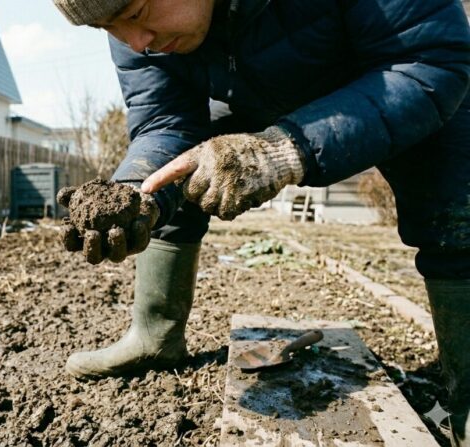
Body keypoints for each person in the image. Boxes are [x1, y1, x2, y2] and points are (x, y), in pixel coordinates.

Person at [52, 0, 470, 444]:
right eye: (107, 28)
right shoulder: (142, 35)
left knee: (458, 204)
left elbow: (431, 60)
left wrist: (286, 150)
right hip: (254, 94)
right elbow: (164, 122)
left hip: (393, 76)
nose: (137, 42)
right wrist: (134, 193)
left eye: (136, 12)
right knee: (174, 175)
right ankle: (154, 335)